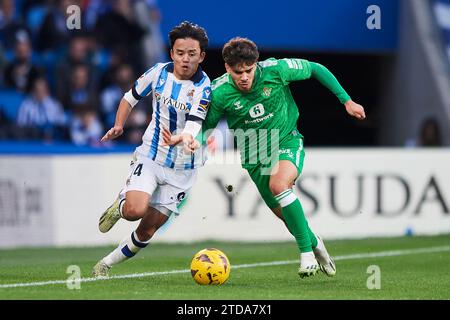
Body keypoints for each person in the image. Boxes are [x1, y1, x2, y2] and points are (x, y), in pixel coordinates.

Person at [164, 37, 366, 279]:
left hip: (286, 140)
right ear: (228, 68)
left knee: (279, 184)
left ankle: (306, 254)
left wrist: (346, 100)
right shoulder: (219, 92)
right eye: (238, 72)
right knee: (289, 220)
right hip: (255, 157)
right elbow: (208, 125)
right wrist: (196, 140)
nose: (244, 77)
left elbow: (315, 68)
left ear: (256, 64)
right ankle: (315, 244)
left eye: (249, 70)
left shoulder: (276, 70)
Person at [92, 21, 211, 277]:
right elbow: (130, 97)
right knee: (135, 211)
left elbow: (194, 123)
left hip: (183, 169)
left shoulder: (203, 87)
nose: (185, 59)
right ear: (172, 53)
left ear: (201, 56)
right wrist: (118, 125)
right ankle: (121, 205)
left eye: (192, 54)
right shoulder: (158, 73)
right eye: (180, 53)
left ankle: (105, 265)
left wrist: (185, 138)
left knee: (147, 230)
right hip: (152, 156)